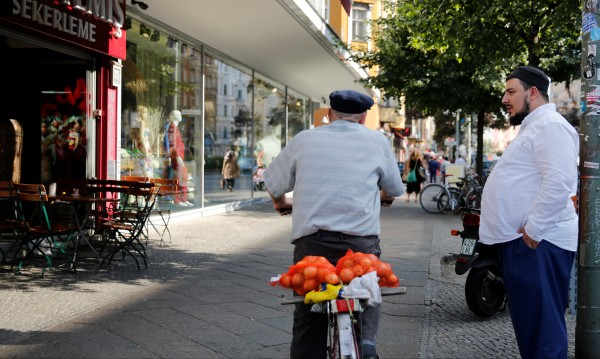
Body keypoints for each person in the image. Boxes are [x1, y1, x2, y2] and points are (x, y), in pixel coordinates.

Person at [263, 89, 405, 359]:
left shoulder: (305, 139)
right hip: (360, 243)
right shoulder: (378, 141)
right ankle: (367, 343)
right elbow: (394, 188)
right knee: (368, 291)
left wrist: (280, 202)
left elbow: (273, 181)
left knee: (307, 315)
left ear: (329, 115)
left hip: (313, 244)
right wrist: (383, 197)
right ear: (363, 118)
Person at [479, 65, 578, 358]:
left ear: (532, 92)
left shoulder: (551, 126)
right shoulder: (536, 126)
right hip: (529, 243)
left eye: (511, 91)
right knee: (532, 329)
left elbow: (559, 181)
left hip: (538, 243)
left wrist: (534, 231)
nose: (504, 98)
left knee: (543, 332)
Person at [164, 110, 192, 207]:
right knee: (179, 178)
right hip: (177, 158)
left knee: (182, 178)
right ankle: (178, 200)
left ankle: (183, 199)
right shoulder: (172, 128)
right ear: (174, 116)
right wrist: (177, 157)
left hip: (179, 157)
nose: (180, 116)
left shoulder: (175, 127)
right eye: (178, 114)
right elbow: (172, 144)